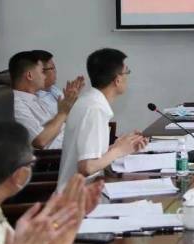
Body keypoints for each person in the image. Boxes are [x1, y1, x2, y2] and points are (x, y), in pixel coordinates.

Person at [58, 48, 148, 189]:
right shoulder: (95, 109)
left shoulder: (89, 101)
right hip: (77, 197)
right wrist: (118, 151)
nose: (128, 77)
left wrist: (121, 146)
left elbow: (90, 155)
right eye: (127, 72)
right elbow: (86, 167)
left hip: (84, 191)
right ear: (117, 80)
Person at [11, 51, 81, 149]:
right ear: (30, 76)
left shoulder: (33, 98)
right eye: (41, 72)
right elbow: (40, 141)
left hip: (71, 143)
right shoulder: (17, 104)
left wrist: (64, 110)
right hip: (57, 155)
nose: (44, 76)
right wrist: (62, 113)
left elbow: (46, 127)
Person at [32, 49, 85, 117]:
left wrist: (72, 96)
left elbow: (72, 111)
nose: (55, 71)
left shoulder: (53, 89)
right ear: (40, 71)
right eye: (52, 68)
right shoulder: (36, 100)